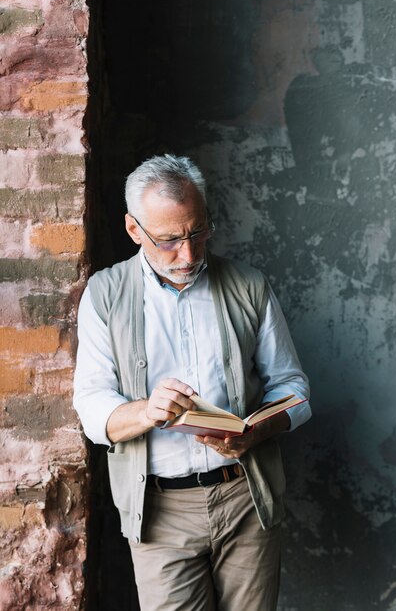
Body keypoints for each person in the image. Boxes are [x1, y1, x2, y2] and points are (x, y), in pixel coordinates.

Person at [73, 154, 311, 611]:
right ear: (133, 230)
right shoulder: (105, 295)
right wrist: (146, 411)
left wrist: (258, 430)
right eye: (169, 240)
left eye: (197, 232)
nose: (188, 254)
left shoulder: (248, 285)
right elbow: (92, 407)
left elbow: (294, 387)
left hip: (246, 498)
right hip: (159, 512)